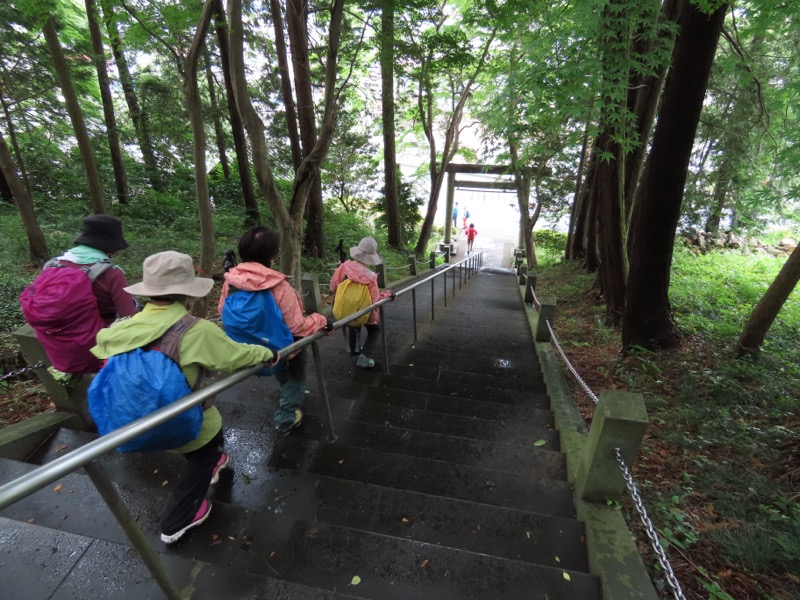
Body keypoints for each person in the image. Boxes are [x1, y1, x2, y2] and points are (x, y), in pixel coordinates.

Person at [92, 251, 276, 544]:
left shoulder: (122, 328)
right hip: (190, 422)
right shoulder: (196, 331)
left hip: (139, 415)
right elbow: (235, 358)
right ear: (186, 294)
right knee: (205, 453)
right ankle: (178, 521)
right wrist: (268, 353)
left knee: (201, 452)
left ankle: (213, 462)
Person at [218, 226, 331, 435]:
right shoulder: (279, 286)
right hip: (285, 346)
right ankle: (287, 416)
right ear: (272, 254)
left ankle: (286, 390)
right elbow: (298, 326)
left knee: (281, 371)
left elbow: (222, 310)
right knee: (296, 375)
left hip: (249, 346)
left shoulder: (231, 281)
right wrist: (321, 319)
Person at [329, 237, 394, 369]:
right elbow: (374, 300)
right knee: (375, 329)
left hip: (344, 309)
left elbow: (333, 286)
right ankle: (364, 356)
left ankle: (354, 351)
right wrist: (388, 294)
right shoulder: (370, 276)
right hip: (364, 311)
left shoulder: (344, 266)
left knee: (353, 324)